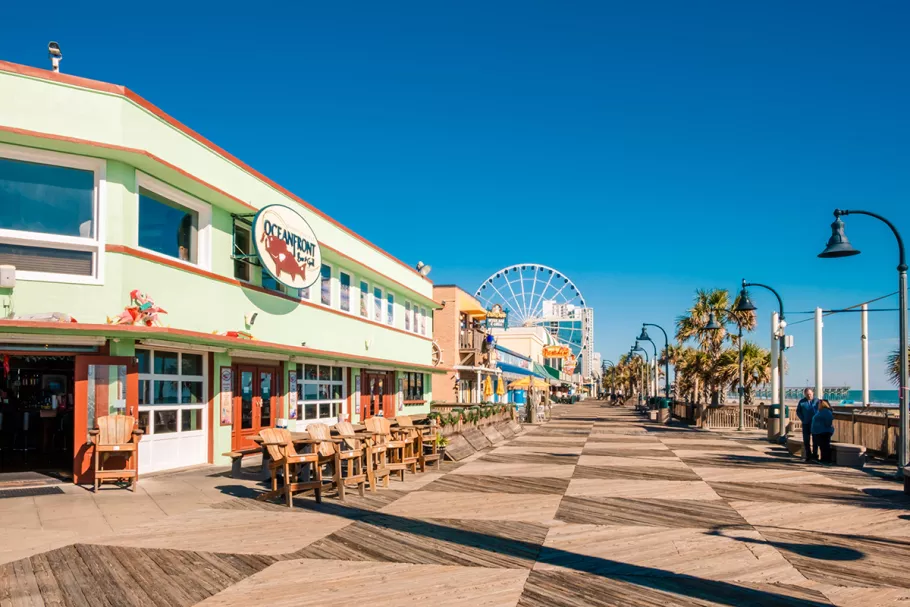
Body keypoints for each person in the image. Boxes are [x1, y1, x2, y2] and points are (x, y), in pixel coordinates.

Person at [796, 388, 819, 461]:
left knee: (815, 440)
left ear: (812, 393)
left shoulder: (817, 401)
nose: (809, 395)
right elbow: (798, 411)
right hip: (806, 423)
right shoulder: (802, 402)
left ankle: (815, 455)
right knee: (806, 440)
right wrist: (802, 418)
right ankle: (808, 455)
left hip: (815, 424)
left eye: (810, 394)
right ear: (805, 394)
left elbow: (822, 409)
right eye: (807, 394)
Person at [811, 399, 835, 463]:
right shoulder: (820, 411)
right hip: (818, 432)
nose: (818, 405)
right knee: (822, 446)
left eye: (819, 404)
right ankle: (823, 459)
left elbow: (829, 422)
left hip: (824, 432)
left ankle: (826, 460)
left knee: (825, 446)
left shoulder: (826, 412)